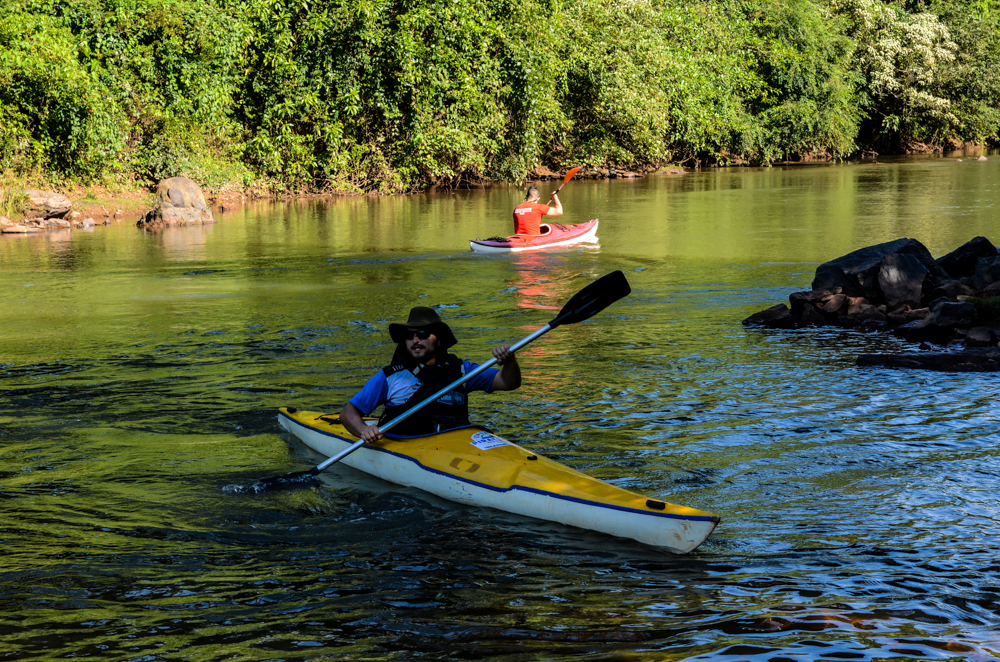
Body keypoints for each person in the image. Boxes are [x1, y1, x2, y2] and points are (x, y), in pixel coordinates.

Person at [340, 306, 521, 442]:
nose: (416, 340)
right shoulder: (391, 377)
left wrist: (509, 361)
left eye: (423, 333)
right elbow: (348, 413)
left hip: (456, 448)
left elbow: (508, 382)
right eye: (409, 335)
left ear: (438, 338)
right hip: (407, 448)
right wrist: (363, 430)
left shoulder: (462, 370)